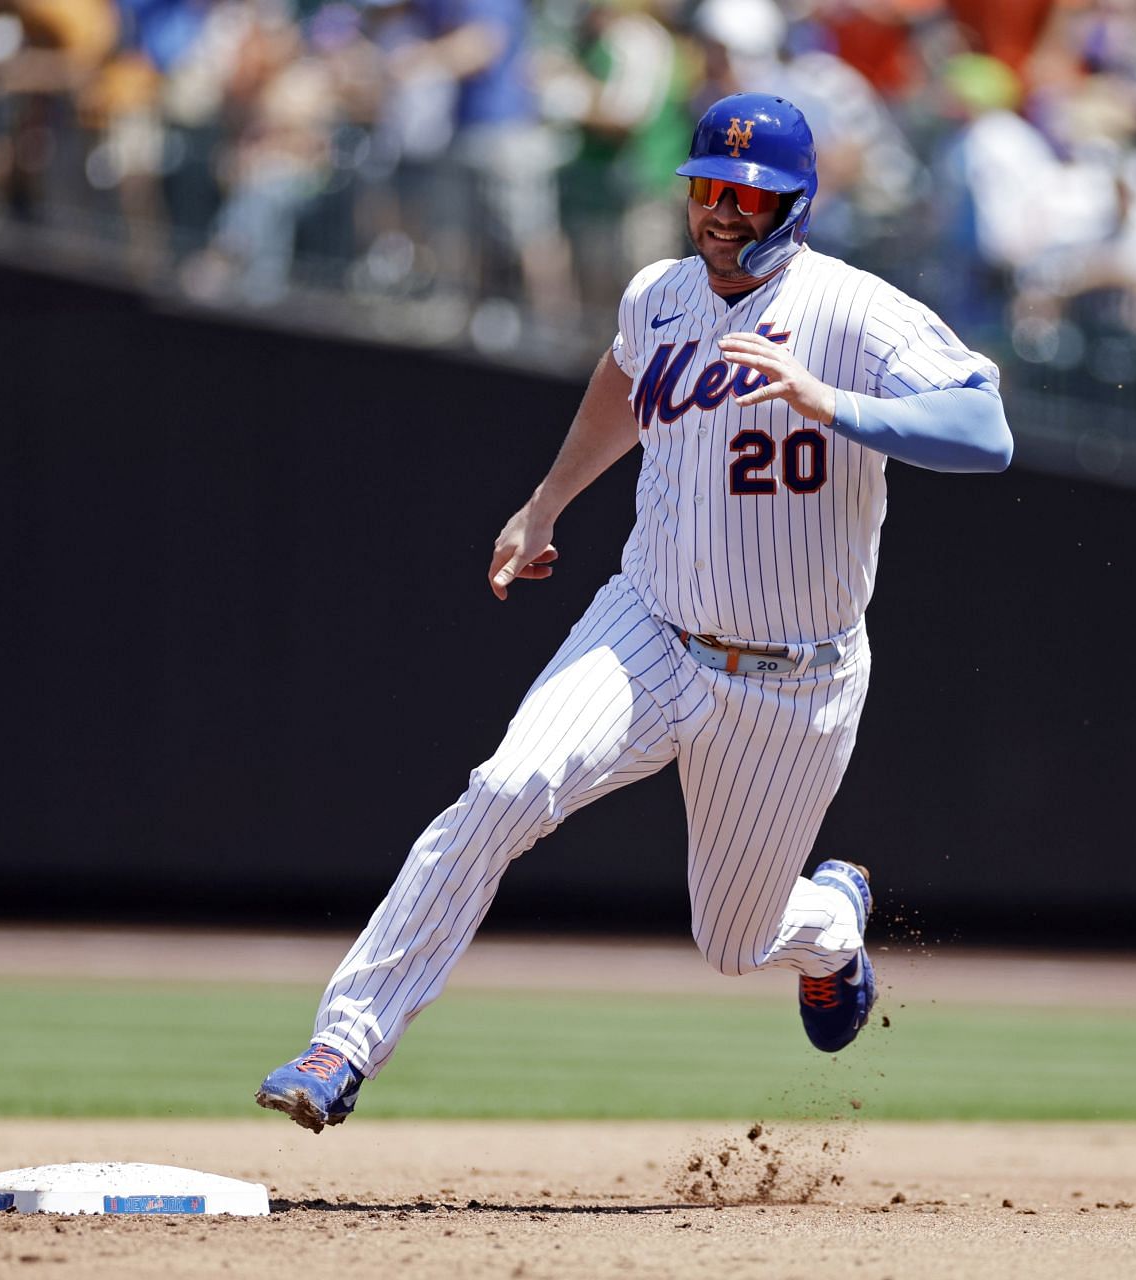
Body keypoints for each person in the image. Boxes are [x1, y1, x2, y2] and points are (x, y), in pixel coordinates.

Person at [256, 91, 1014, 1132]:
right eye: (708, 187)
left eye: (747, 195)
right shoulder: (658, 295)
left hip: (795, 680)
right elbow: (624, 378)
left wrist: (831, 402)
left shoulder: (851, 310)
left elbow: (984, 428)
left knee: (733, 941)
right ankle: (343, 1042)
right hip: (649, 626)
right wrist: (547, 499)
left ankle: (831, 922)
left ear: (793, 205)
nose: (720, 210)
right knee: (506, 786)